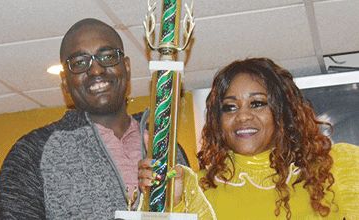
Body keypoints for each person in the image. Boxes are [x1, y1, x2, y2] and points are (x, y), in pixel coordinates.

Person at [0, 18, 188, 219]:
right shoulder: (33, 151)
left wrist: (180, 204)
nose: (96, 70)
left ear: (127, 68)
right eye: (79, 63)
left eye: (108, 56)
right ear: (65, 83)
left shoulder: (167, 146)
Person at [139, 57, 359, 219]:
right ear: (218, 121)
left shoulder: (333, 168)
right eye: (230, 107)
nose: (242, 116)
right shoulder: (194, 187)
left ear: (283, 111)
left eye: (257, 103)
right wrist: (169, 203)